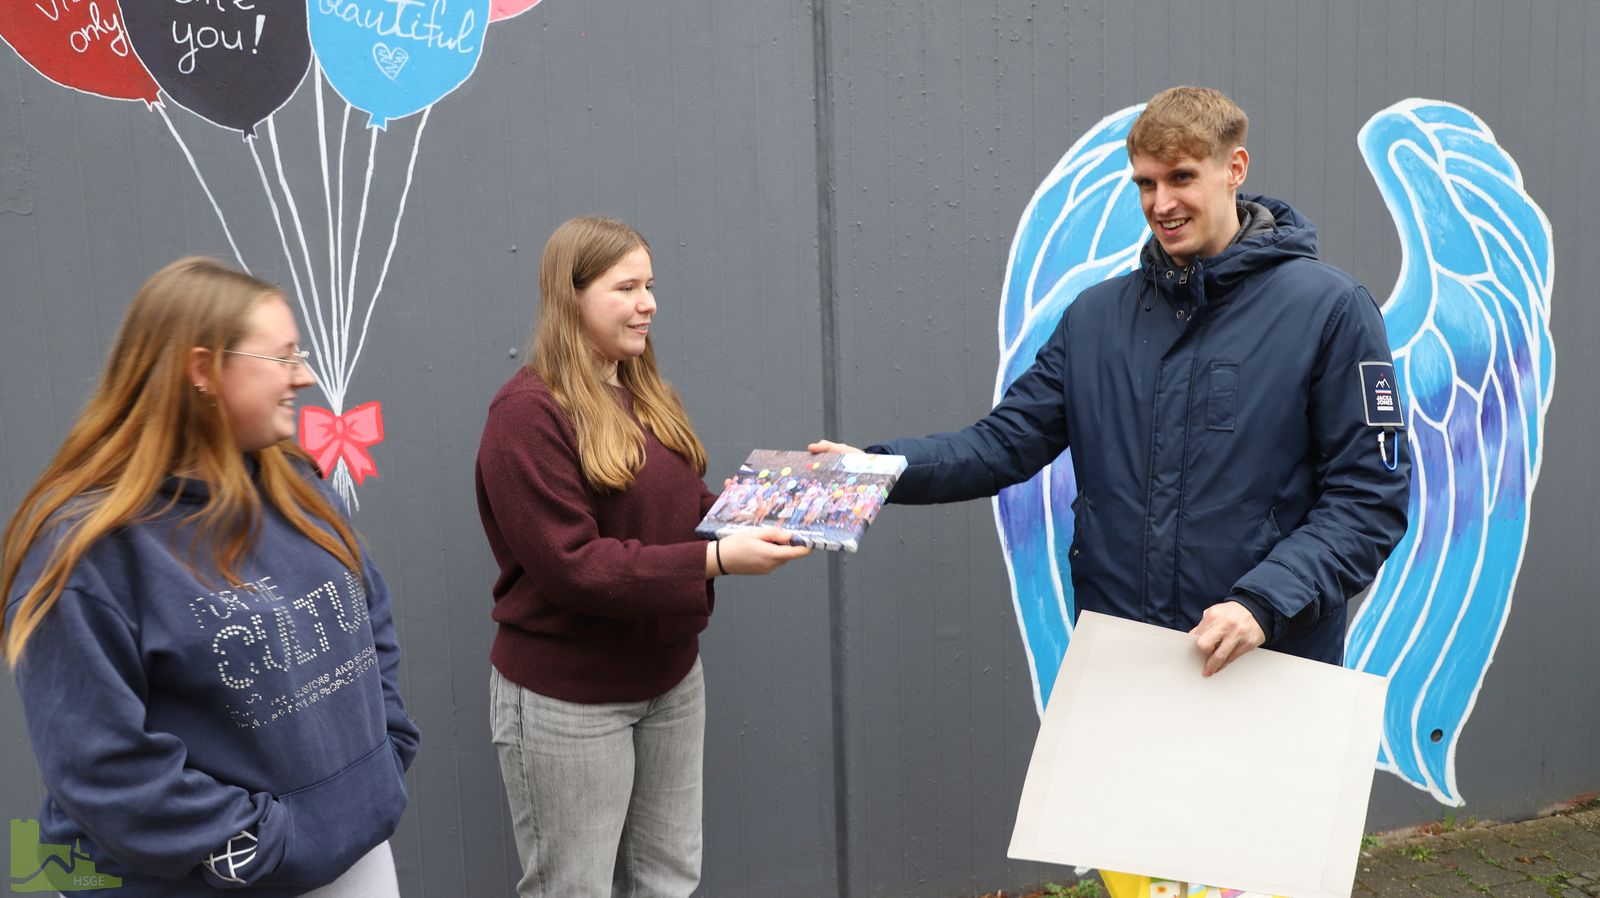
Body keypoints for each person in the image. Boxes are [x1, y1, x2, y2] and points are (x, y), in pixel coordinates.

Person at [812, 85, 1410, 677]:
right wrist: (873, 471)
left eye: (1180, 177)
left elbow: (1368, 501)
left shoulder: (1330, 309)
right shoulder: (1095, 318)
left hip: (1270, 669)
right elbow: (999, 446)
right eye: (1146, 183)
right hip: (1121, 666)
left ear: (1234, 168)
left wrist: (1263, 604)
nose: (1161, 203)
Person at [1, 257, 420, 897]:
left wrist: (377, 765)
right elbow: (103, 767)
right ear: (202, 369)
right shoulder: (87, 552)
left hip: (350, 853)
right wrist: (264, 843)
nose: (304, 376)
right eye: (281, 357)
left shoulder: (296, 484)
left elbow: (370, 621)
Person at [476, 216, 810, 898]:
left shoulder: (643, 391)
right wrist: (716, 561)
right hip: (569, 699)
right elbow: (576, 567)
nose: (648, 303)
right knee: (574, 888)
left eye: (649, 285)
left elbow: (684, 511)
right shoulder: (525, 415)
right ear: (571, 297)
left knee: (666, 882)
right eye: (625, 287)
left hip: (671, 681)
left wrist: (779, 503)